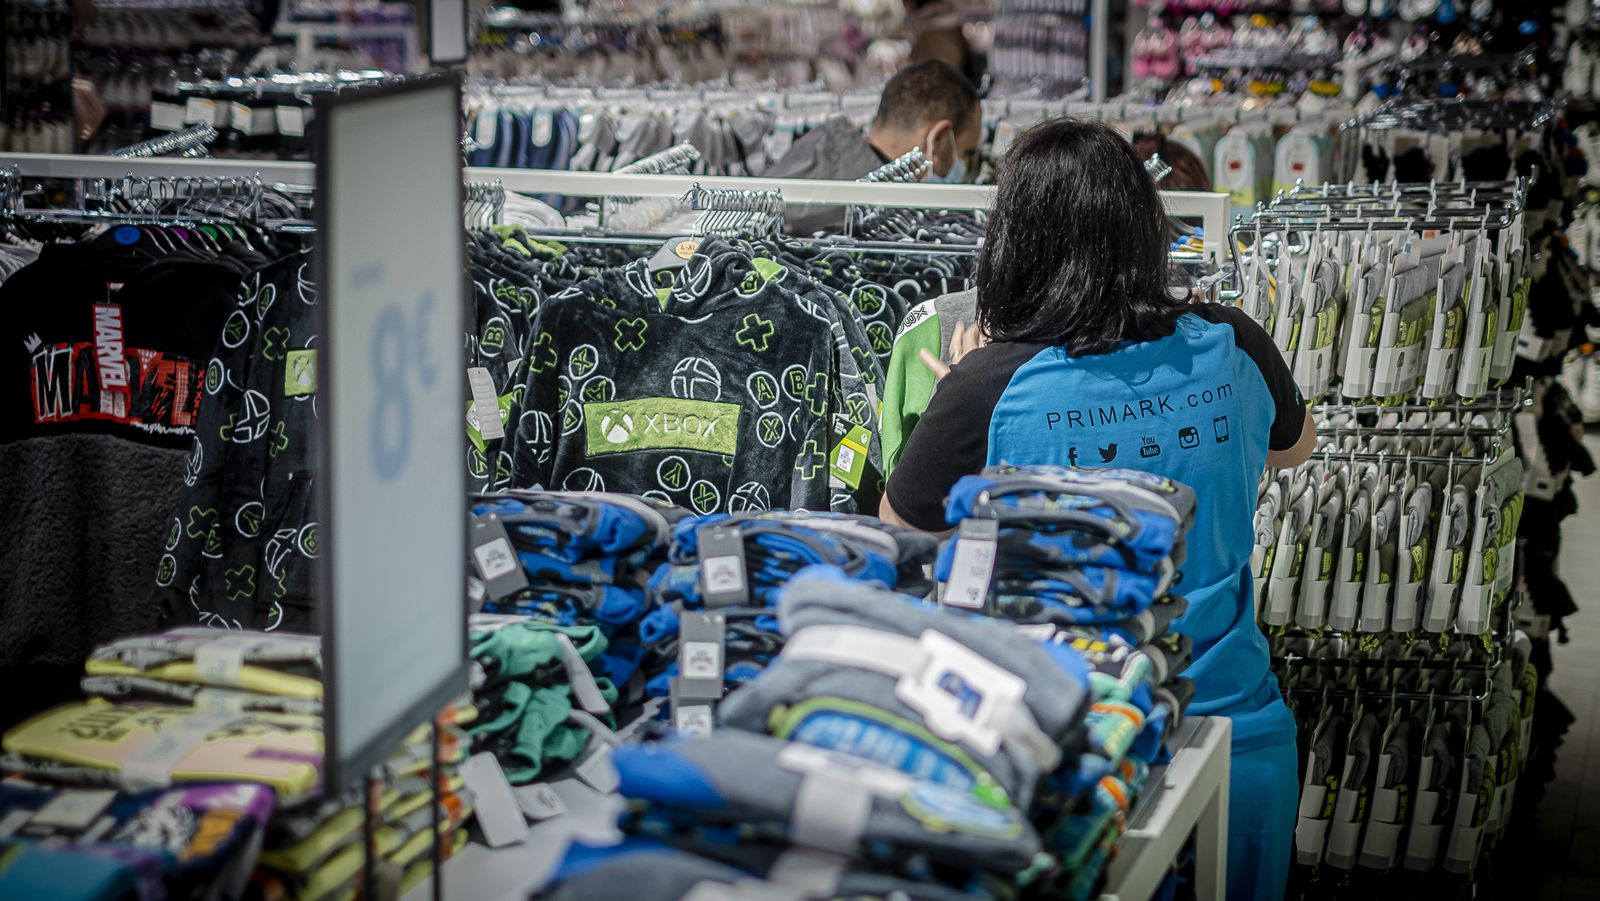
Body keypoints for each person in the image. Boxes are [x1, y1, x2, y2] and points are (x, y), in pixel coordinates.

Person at [878, 118, 1316, 901]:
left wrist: (953, 400)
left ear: (1016, 239)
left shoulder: (987, 385)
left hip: (1075, 760)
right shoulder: (1235, 339)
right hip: (1239, 732)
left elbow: (898, 535)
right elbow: (1293, 446)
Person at [767, 60, 981, 235]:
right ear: (939, 139)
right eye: (967, 154)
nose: (967, 171)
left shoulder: (820, 145)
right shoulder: (878, 219)